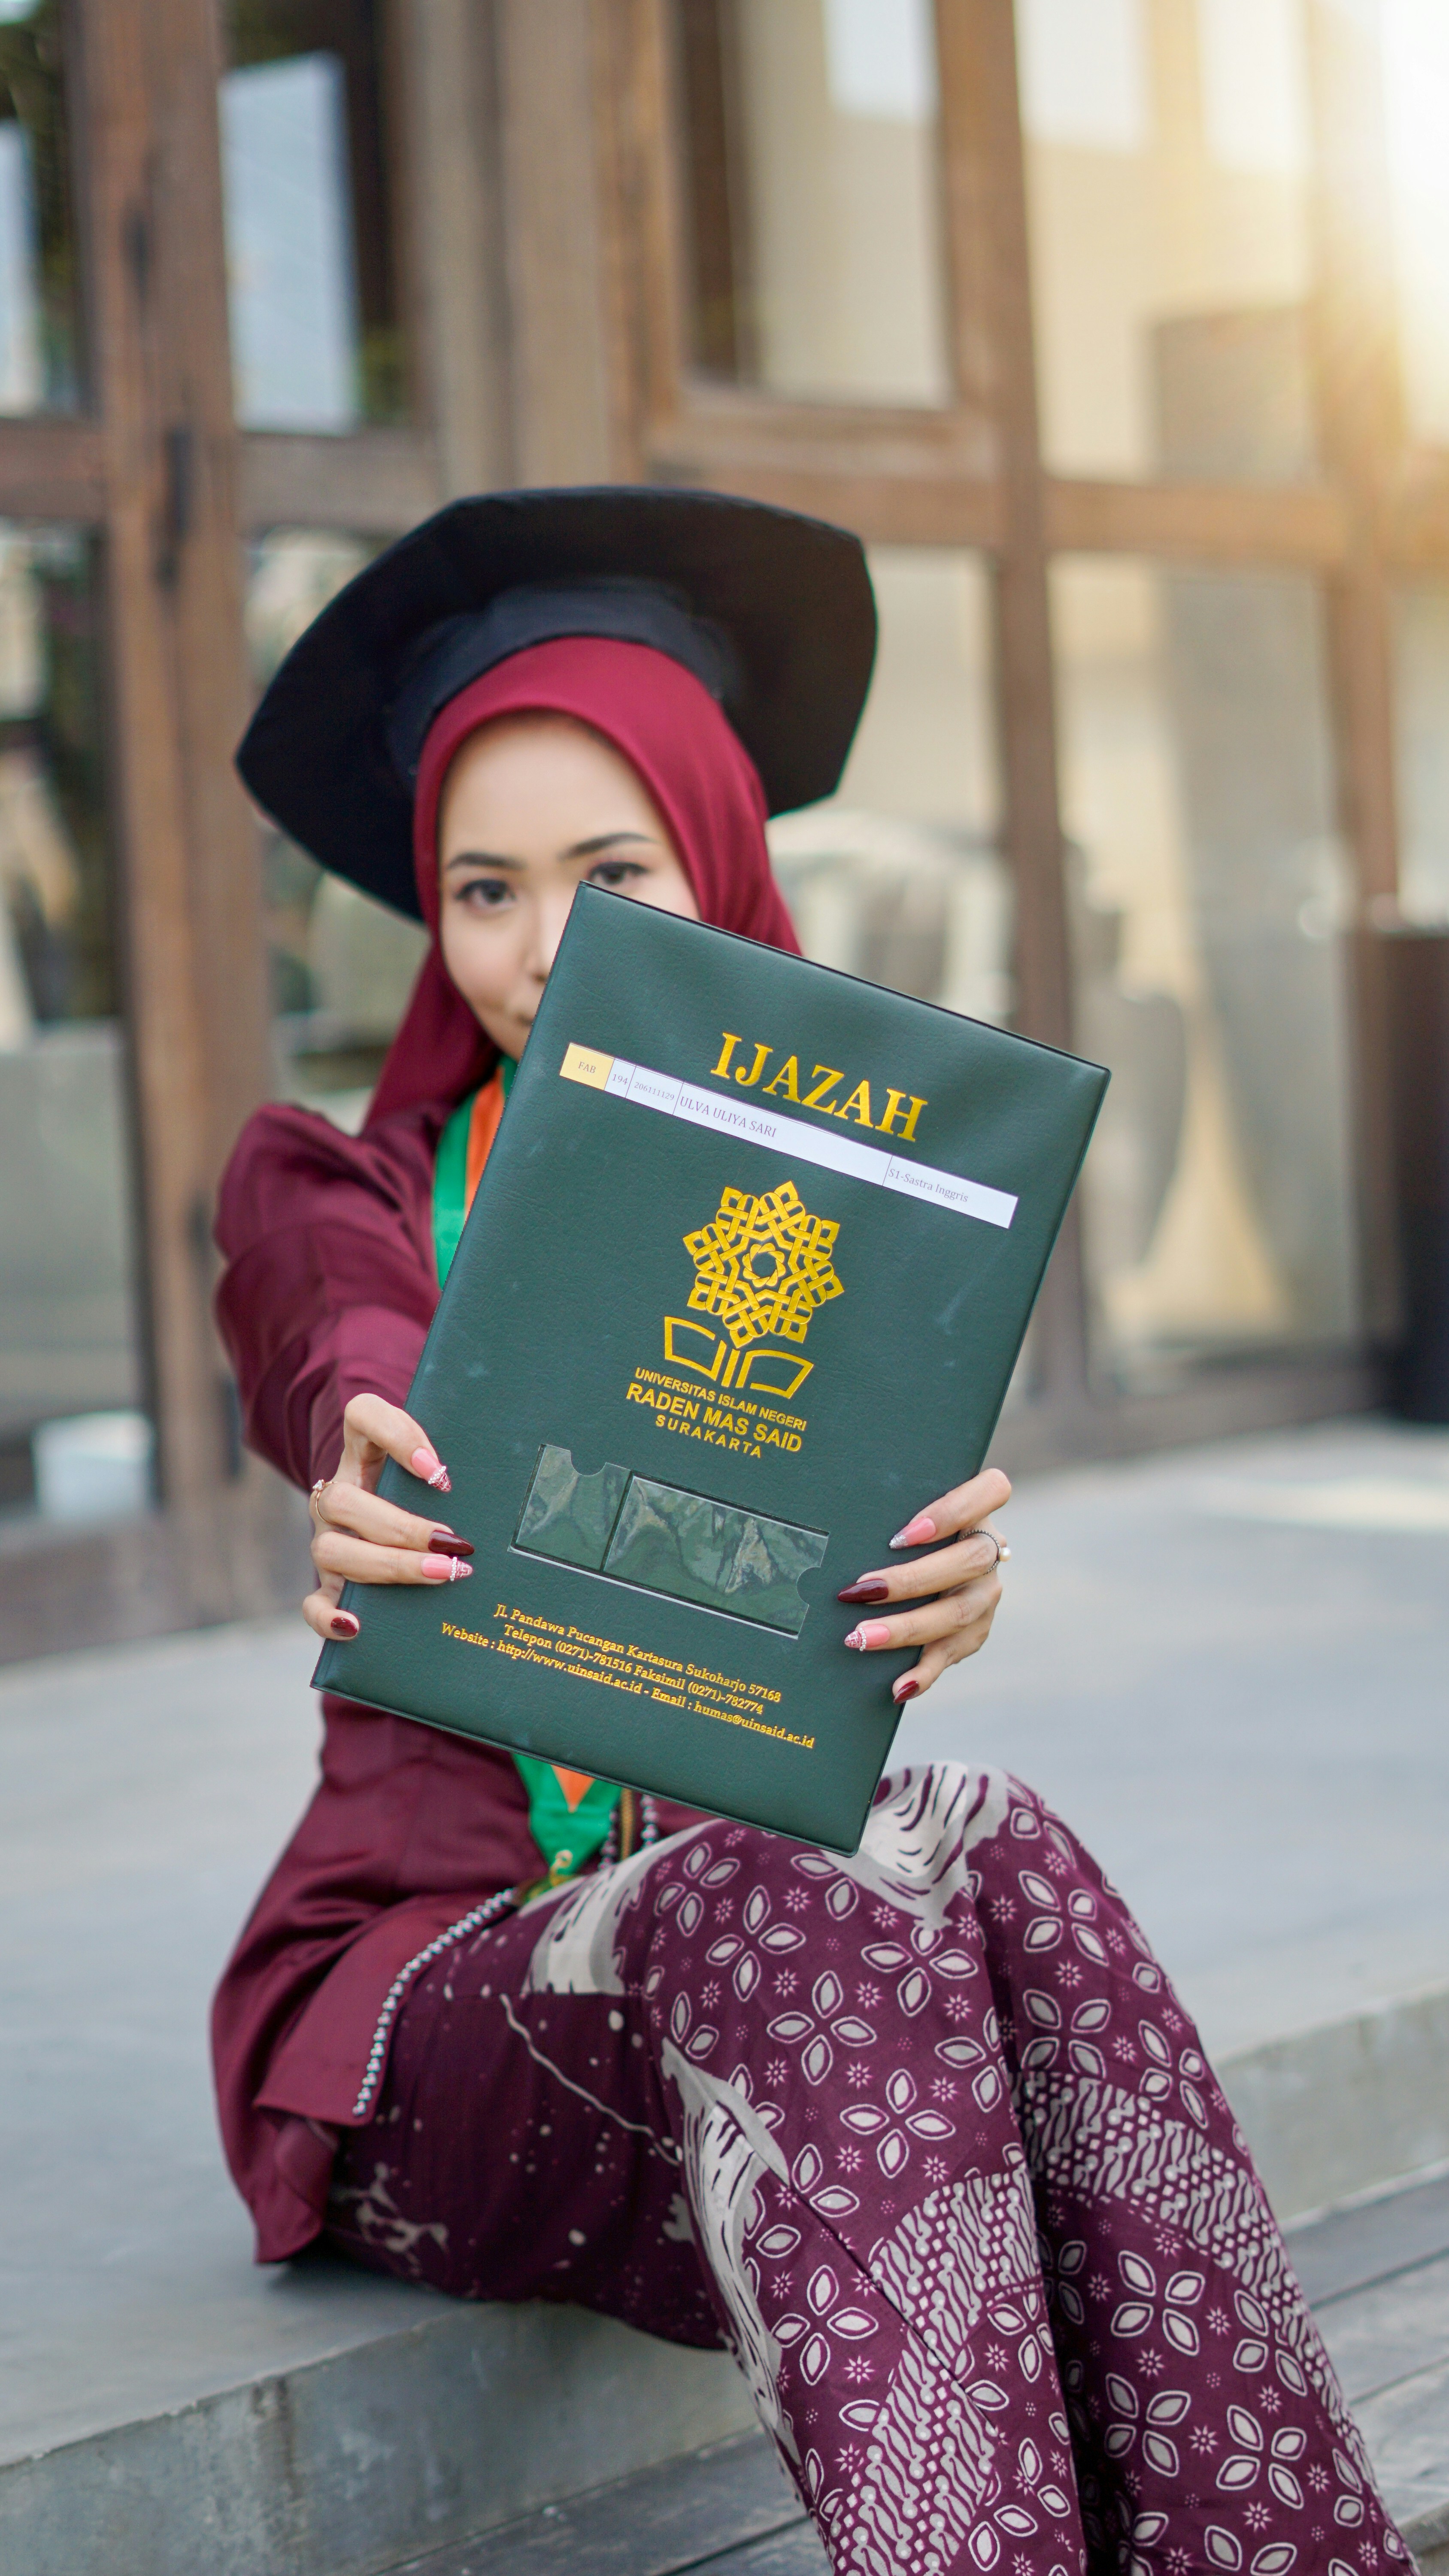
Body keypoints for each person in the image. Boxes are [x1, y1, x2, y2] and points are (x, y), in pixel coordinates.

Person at [214, 489, 1404, 2576]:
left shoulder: (852, 1228)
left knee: (982, 1837)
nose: (538, 947)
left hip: (788, 2008)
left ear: (719, 867)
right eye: (481, 890)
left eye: (610, 873)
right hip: (431, 2017)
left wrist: (934, 1586)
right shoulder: (345, 1182)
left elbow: (854, 1631)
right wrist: (371, 1450)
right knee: (822, 1892)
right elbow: (344, 1344)